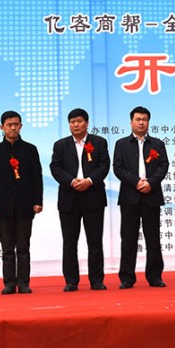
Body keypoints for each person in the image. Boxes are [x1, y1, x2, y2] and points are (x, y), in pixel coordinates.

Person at [50, 108, 110, 291]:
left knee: (95, 241)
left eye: (79, 121)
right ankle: (71, 281)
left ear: (87, 123)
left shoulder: (99, 142)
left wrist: (89, 181)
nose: (75, 125)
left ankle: (96, 280)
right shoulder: (60, 145)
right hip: (69, 198)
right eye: (72, 122)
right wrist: (71, 181)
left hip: (93, 196)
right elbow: (55, 168)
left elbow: (104, 166)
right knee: (69, 242)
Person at [0, 111, 43, 294]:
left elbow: (37, 177)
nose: (12, 128)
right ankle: (9, 283)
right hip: (3, 206)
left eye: (16, 124)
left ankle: (24, 282)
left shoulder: (30, 149)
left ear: (21, 126)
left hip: (25, 204)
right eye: (9, 125)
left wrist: (37, 201)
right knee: (7, 248)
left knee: (23, 247)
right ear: (1, 127)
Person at [112, 106, 168, 289]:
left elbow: (163, 166)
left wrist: (150, 183)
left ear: (148, 122)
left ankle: (155, 277)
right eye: (138, 119)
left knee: (153, 238)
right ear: (131, 122)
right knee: (128, 238)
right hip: (130, 197)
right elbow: (118, 168)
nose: (141, 122)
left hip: (151, 195)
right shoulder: (121, 144)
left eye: (144, 119)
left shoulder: (157, 144)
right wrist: (136, 182)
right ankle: (127, 278)